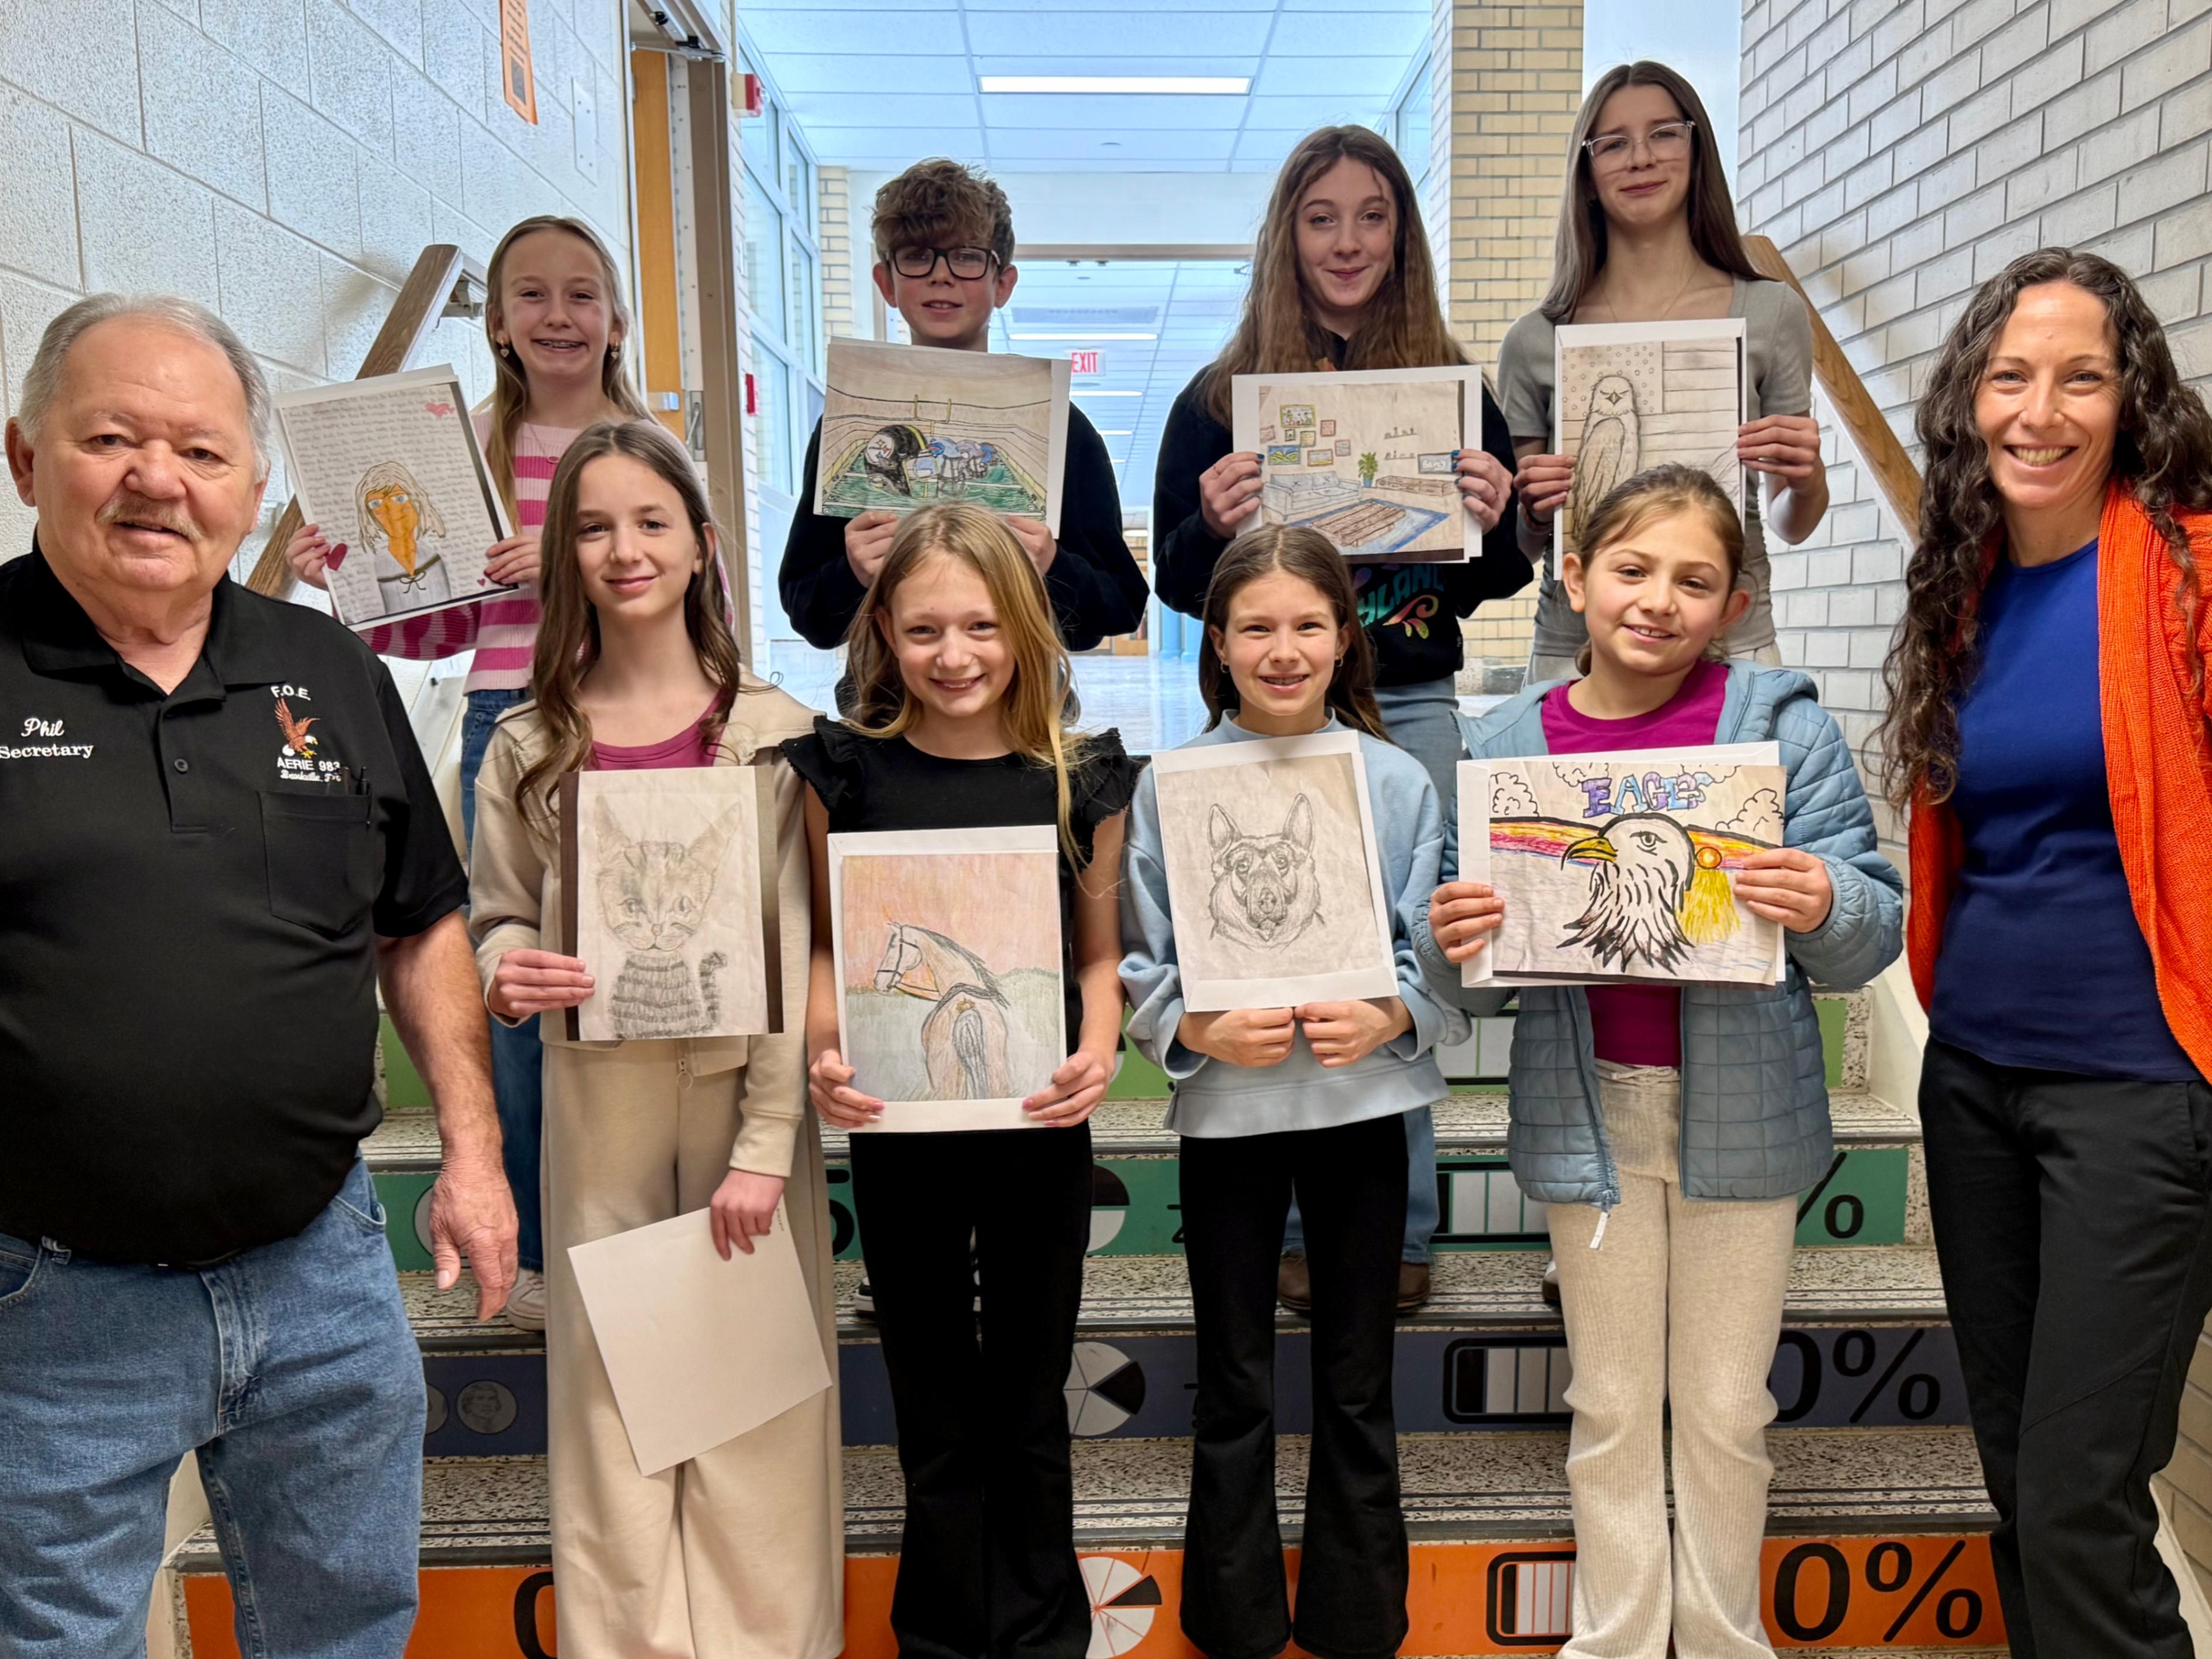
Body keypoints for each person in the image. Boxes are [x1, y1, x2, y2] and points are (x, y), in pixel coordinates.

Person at [0, 293, 516, 1658]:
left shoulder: (327, 670)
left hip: (320, 1275)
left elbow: (418, 923)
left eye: (201, 449)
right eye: (111, 436)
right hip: (55, 1302)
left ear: (255, 485)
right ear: (25, 456)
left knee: (346, 1626)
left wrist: (471, 1148)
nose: (157, 477)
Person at [1426, 466, 1901, 1659]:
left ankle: (1725, 1640)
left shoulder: (1778, 723)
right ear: (1575, 577)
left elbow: (1870, 929)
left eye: (1693, 580)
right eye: (1630, 570)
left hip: (1742, 1120)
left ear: (1733, 600)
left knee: (1726, 1408)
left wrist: (1824, 896)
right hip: (1588, 1125)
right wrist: (1452, 936)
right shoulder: (1504, 743)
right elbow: (1446, 968)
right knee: (1608, 1404)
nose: (1657, 601)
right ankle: (1616, 1641)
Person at [1878, 248, 2212, 1659]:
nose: (2039, 409)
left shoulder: (2190, 570)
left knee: (2079, 1492)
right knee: (2017, 1471)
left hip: (2137, 1088)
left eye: (2080, 376)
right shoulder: (1955, 583)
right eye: (2009, 375)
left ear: (2127, 399)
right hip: (1970, 1079)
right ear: (1968, 397)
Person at [467, 419, 840, 1659]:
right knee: (616, 1406)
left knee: (756, 1422)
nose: (623, 549)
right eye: (591, 526)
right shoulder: (529, 743)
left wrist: (771, 1138)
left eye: (649, 521)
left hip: (747, 1113)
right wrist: (501, 967)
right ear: (563, 553)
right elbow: (494, 913)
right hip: (598, 1103)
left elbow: (800, 945)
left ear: (700, 546)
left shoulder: (776, 734)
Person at [1149, 124, 1525, 1310]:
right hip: (1262, 725)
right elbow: (1169, 579)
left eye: (1372, 216)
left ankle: (1397, 1233)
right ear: (1286, 235)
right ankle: (1274, 1213)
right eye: (1322, 217)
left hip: (1405, 700)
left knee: (1391, 961)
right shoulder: (1217, 401)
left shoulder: (1456, 393)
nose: (1348, 240)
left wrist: (1497, 515)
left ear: (1401, 235)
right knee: (1269, 939)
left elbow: (1494, 579)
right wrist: (1210, 525)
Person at [287, 214, 653, 1332]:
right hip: (509, 728)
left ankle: (641, 1238)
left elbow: (703, 609)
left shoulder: (649, 452)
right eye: (531, 295)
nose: (557, 315)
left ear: (615, 318)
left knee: (640, 991)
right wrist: (345, 583)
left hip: (638, 731)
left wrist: (566, 574)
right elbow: (428, 633)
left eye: (581, 293)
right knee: (518, 998)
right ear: (495, 320)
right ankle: (540, 1251)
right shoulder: (467, 451)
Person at [789, 502, 1139, 1659]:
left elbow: (1096, 955)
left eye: (982, 626)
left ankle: (1045, 1637)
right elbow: (831, 947)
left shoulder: (1077, 777)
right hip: (898, 1134)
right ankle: (939, 1638)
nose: (955, 654)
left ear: (1027, 627)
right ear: (882, 630)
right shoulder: (843, 771)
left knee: (1031, 1408)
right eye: (926, 628)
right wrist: (825, 1048)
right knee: (934, 1409)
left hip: (1038, 1131)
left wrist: (1098, 1047)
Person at [1120, 525, 1465, 1659]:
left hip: (1363, 1110)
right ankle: (1232, 1623)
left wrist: (1392, 1011)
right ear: (1215, 642)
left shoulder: (1398, 780)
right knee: (1232, 1380)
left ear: (1342, 637)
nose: (1281, 650)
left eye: (1306, 625)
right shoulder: (1167, 783)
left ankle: (1356, 1621)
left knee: (1356, 1381)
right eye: (1255, 628)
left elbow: (1438, 948)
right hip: (1228, 1115)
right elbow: (1139, 956)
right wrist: (1194, 1022)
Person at [1501, 61, 1828, 685]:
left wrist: (1805, 477)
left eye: (1663, 135)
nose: (1640, 158)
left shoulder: (1770, 312)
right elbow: (1525, 546)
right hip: (1576, 656)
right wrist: (1534, 512)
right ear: (1587, 175)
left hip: (1733, 648)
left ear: (1696, 150)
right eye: (1614, 144)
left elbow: (1790, 521)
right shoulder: (1535, 340)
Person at [779, 159, 1149, 658]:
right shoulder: (849, 426)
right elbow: (811, 615)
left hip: (1025, 711)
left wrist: (1053, 564)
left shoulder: (1061, 427)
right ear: (886, 283)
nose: (941, 277)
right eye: (917, 257)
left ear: (1003, 283)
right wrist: (853, 572)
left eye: (967, 258)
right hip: (886, 712)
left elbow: (1120, 606)